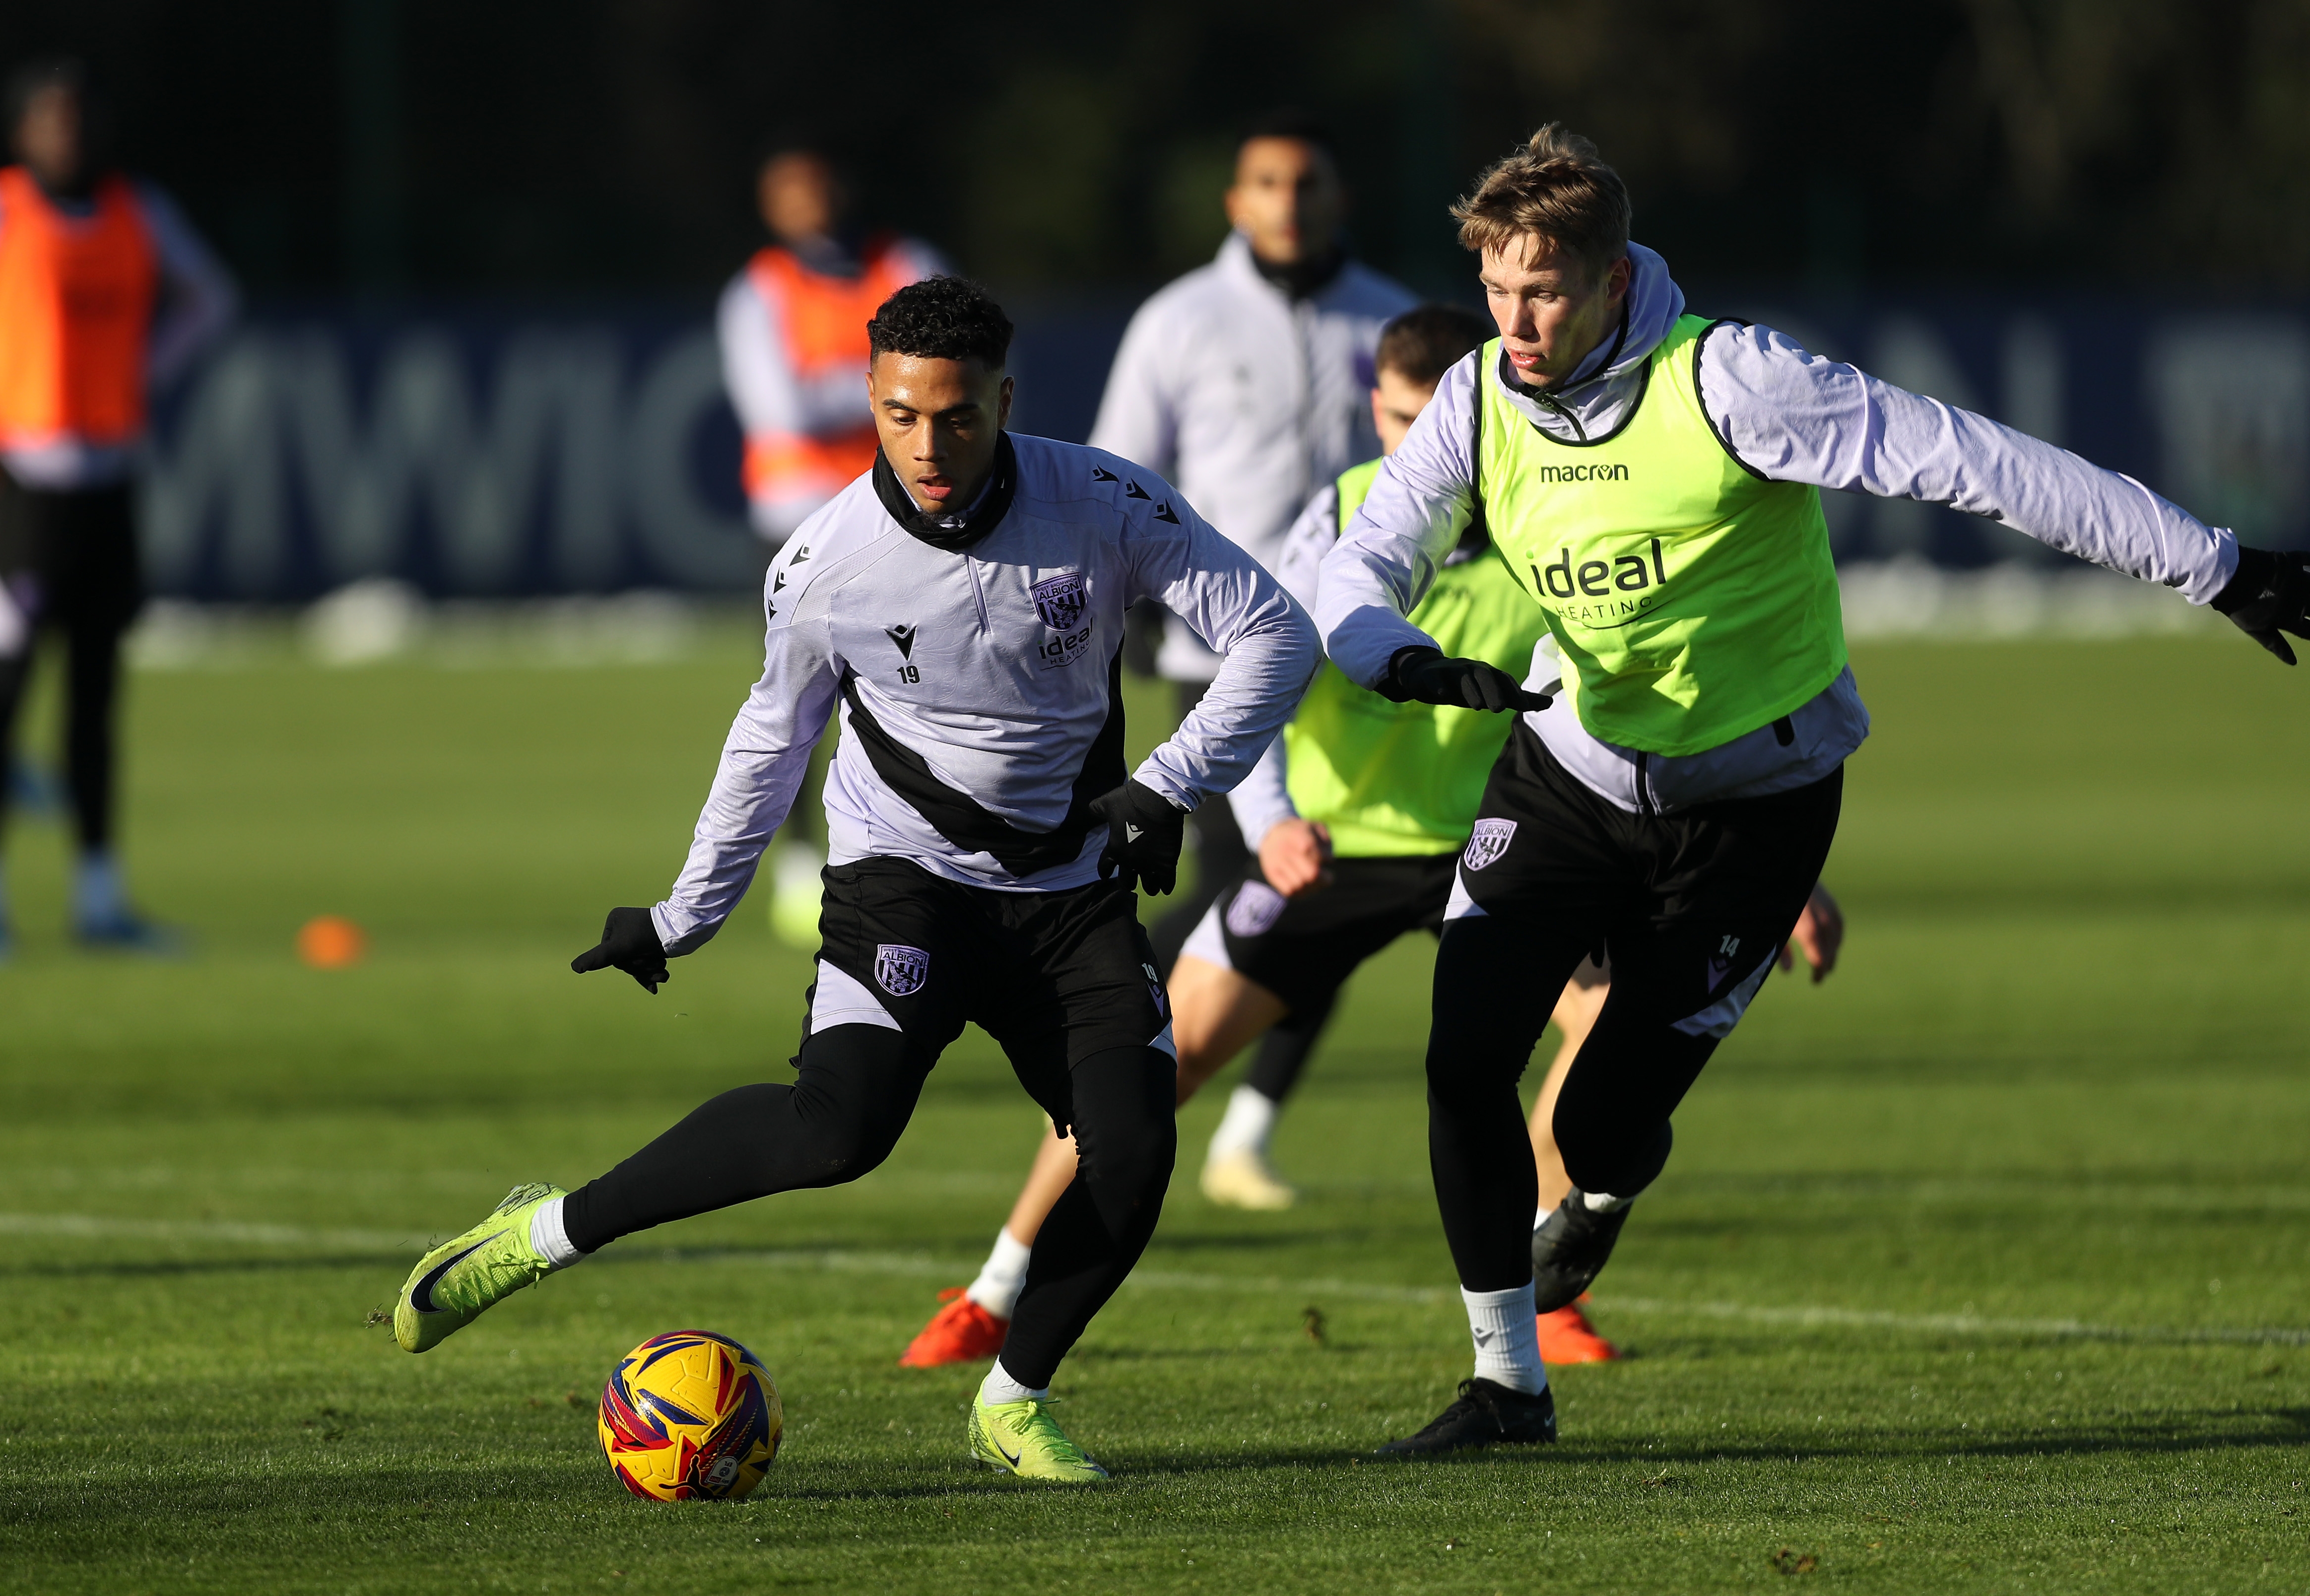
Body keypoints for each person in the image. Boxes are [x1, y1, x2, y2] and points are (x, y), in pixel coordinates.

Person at [1315, 125, 2303, 1456]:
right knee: (1461, 1058)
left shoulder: (1734, 380)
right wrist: (1402, 658)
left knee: (1605, 1117)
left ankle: (1601, 1193)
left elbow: (1978, 461)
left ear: (1614, 278)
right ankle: (1507, 1388)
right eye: (1496, 290)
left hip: (1754, 811)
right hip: (1566, 774)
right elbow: (1362, 563)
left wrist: (2214, 565)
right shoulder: (1479, 396)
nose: (1516, 321)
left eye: (1542, 290)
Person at [384, 277, 1320, 1487]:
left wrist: (1167, 786)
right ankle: (544, 1231)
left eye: (960, 417)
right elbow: (771, 739)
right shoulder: (826, 562)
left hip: (1072, 891)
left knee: (1132, 1155)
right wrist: (687, 912)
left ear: (1005, 401)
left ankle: (1012, 1406)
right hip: (904, 881)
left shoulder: (1100, 500)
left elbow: (1277, 634)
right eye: (899, 415)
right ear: (873, 403)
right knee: (838, 1133)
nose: (930, 448)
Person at [895, 304, 1848, 1373]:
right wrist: (1272, 826)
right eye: (1397, 417)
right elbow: (1243, 680)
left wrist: (1773, 880)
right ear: (1378, 412)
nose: (1413, 441)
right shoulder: (1343, 524)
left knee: (1605, 1030)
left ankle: (1542, 1283)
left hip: (1513, 840)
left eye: (1434, 415)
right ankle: (996, 1285)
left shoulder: (1569, 521)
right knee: (1154, 1058)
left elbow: (1681, 704)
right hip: (1335, 848)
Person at [0, 59, 234, 958]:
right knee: (7, 684)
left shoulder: (140, 214)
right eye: (53, 122)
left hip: (109, 480)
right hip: (23, 483)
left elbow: (212, 300)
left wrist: (147, 371)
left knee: (95, 697)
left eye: (83, 119)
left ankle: (99, 897)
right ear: (22, 135)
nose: (72, 137)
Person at [1091, 111, 1416, 973]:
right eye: (1269, 183)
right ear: (1236, 201)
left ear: (1339, 197)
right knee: (1242, 880)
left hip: (1354, 642)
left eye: (1307, 183)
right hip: (1222, 642)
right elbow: (1119, 476)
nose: (1289, 202)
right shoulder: (1179, 320)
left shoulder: (1392, 321)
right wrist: (1131, 610)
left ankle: (1229, 1100)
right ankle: (1115, 1038)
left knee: (1321, 878)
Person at [719, 143, 949, 951]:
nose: (808, 206)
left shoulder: (906, 260)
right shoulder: (758, 292)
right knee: (800, 701)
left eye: (816, 188)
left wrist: (869, 381)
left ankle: (918, 848)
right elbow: (784, 412)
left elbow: (955, 361)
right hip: (801, 521)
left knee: (926, 680)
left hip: (905, 508)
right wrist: (893, 378)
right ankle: (795, 859)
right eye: (789, 193)